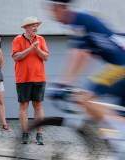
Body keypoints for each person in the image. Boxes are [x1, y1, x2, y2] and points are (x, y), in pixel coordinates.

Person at [47, 0, 125, 156]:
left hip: (121, 65)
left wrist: (63, 84)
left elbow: (79, 55)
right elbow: (86, 55)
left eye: (52, 9)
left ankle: (121, 141)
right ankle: (120, 147)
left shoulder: (78, 20)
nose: (51, 13)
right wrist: (69, 83)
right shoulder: (81, 19)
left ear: (60, 7)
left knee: (85, 99)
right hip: (119, 64)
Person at [12, 17, 49, 145]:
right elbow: (16, 57)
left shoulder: (41, 39)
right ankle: (25, 133)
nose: (35, 27)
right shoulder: (17, 39)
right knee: (23, 106)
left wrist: (37, 48)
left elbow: (46, 57)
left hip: (39, 77)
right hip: (23, 78)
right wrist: (31, 48)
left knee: (38, 106)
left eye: (36, 25)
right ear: (26, 27)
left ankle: (39, 134)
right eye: (32, 25)